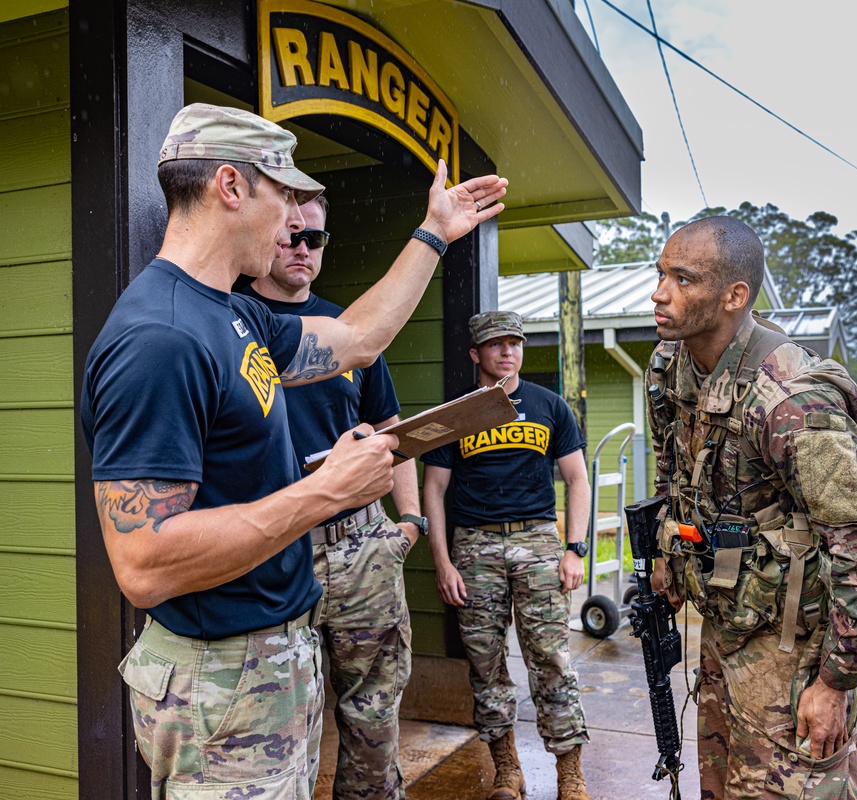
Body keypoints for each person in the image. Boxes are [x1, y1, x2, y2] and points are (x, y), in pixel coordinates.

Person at [80, 102, 506, 799]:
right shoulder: (160, 338)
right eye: (283, 194)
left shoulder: (233, 312)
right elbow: (143, 562)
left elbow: (358, 339)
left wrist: (433, 234)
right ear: (231, 186)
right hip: (219, 677)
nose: (293, 221)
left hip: (271, 656)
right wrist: (328, 492)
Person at [645, 216, 857, 799]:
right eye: (661, 273)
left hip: (794, 649)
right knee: (722, 786)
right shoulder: (669, 367)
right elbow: (674, 466)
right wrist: (669, 548)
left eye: (683, 279)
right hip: (727, 624)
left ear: (734, 296)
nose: (660, 293)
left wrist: (834, 683)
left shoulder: (789, 400)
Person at [239, 193, 422, 800]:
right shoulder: (234, 325)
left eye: (313, 240)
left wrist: (410, 525)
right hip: (276, 547)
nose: (300, 248)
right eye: (291, 236)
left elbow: (393, 433)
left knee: (372, 713)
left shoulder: (350, 332)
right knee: (282, 719)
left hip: (362, 548)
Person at [421, 311, 593, 800]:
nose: (507, 353)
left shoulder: (550, 407)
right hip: (473, 547)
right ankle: (507, 772)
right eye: (495, 345)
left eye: (514, 343)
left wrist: (575, 548)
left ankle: (570, 776)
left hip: (538, 541)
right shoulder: (456, 412)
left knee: (552, 659)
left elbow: (577, 480)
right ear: (476, 354)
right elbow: (433, 490)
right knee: (486, 665)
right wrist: (443, 561)